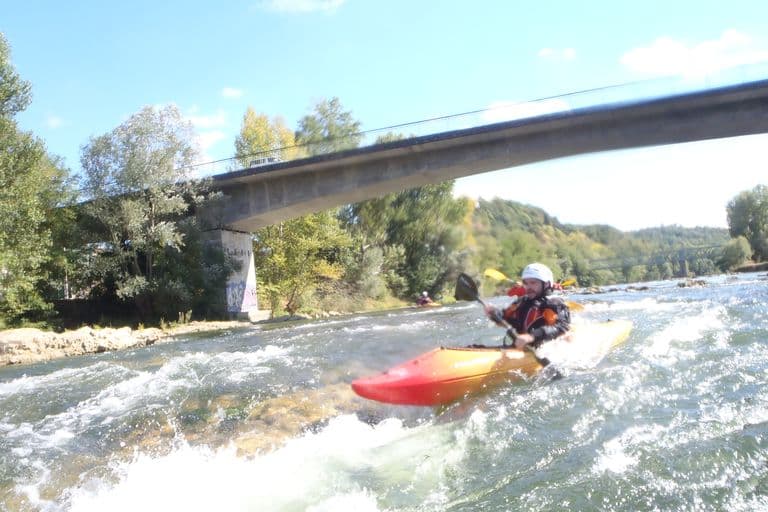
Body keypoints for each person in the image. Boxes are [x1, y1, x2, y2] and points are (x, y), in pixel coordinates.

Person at [486, 263, 571, 350]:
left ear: (546, 284)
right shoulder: (521, 302)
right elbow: (505, 319)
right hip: (523, 348)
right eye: (526, 283)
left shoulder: (554, 304)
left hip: (545, 350)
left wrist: (531, 337)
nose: (528, 287)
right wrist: (495, 314)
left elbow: (561, 327)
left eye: (533, 283)